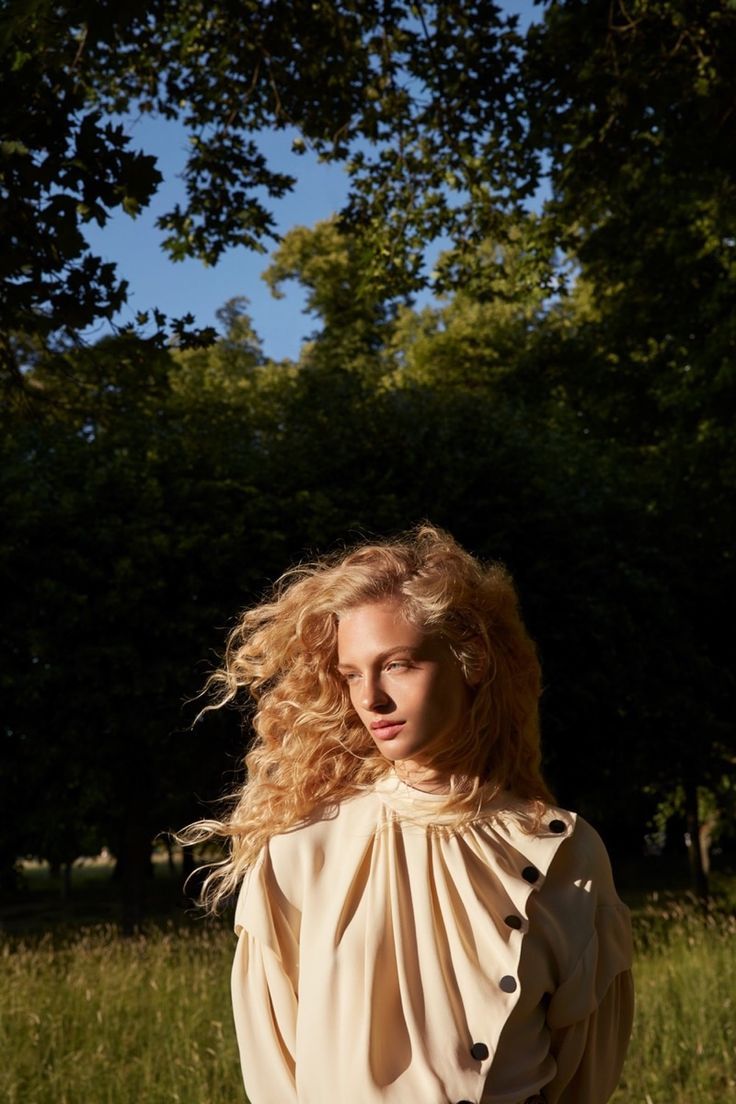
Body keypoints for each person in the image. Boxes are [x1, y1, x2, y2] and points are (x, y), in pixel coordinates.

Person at [186, 525, 634, 1104]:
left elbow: (584, 1075)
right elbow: (274, 1068)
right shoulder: (302, 847)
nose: (370, 698)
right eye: (351, 674)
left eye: (398, 664)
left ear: (469, 659)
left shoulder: (564, 852)